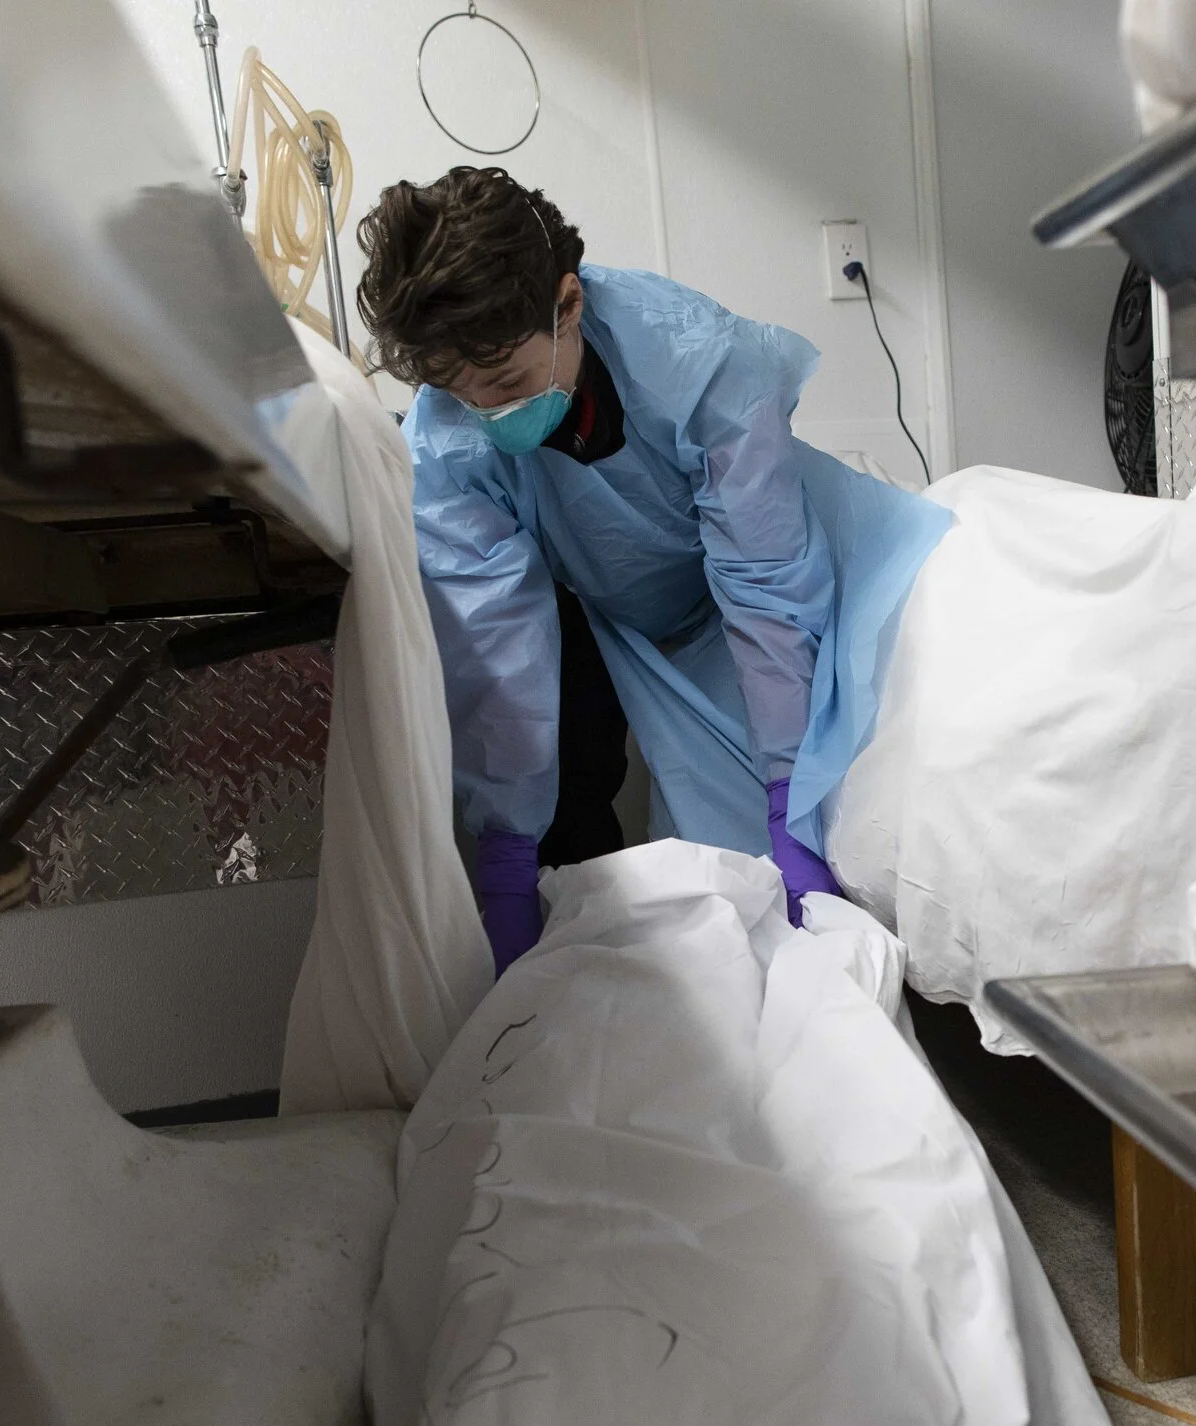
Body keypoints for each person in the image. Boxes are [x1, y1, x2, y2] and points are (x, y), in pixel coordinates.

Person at [356, 167, 950, 975]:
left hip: (784, 578)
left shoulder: (694, 364)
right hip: (635, 625)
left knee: (858, 800)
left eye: (505, 384)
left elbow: (769, 583)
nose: (489, 414)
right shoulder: (448, 441)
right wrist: (505, 852)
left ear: (567, 305)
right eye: (460, 393)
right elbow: (498, 646)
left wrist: (789, 795)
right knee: (722, 888)